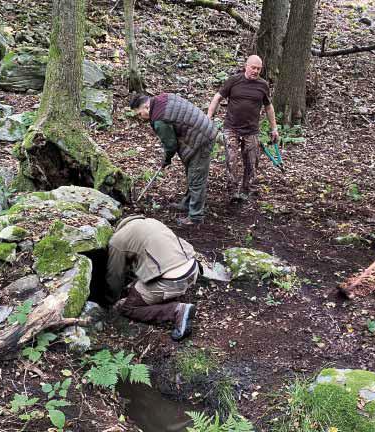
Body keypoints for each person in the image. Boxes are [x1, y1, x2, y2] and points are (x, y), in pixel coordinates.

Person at [105, 215, 199, 341]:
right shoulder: (152, 222)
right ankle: (165, 296)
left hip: (171, 280)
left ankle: (177, 311)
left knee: (129, 308)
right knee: (137, 287)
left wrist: (111, 300)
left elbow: (114, 276)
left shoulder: (117, 240)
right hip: (192, 269)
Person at [131, 93, 218, 225]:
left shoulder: (159, 118)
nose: (140, 118)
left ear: (147, 106)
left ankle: (195, 217)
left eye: (139, 114)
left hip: (201, 138)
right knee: (192, 173)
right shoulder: (162, 99)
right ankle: (187, 203)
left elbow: (170, 144)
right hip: (198, 132)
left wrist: (166, 159)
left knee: (196, 178)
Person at [207, 55, 280, 201]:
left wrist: (274, 128)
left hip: (251, 129)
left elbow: (268, 107)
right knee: (231, 159)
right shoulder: (234, 81)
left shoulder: (263, 85)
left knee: (252, 161)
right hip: (231, 127)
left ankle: (248, 190)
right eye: (253, 67)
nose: (255, 71)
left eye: (258, 69)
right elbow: (217, 98)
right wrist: (208, 118)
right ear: (246, 66)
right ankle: (233, 191)